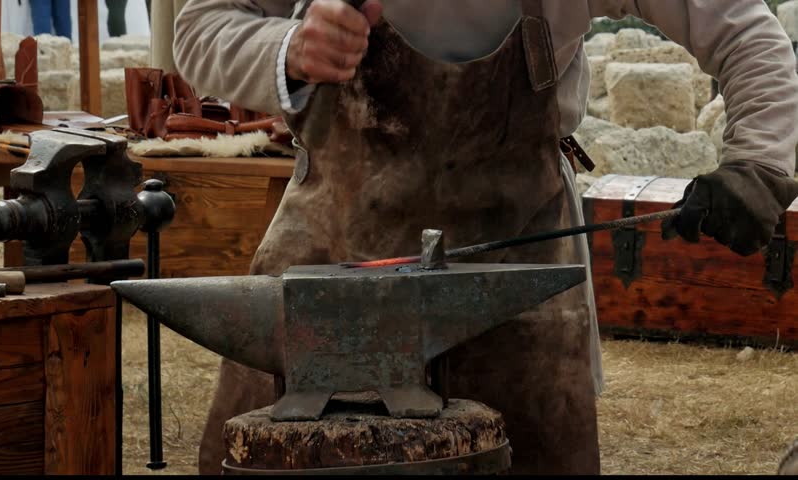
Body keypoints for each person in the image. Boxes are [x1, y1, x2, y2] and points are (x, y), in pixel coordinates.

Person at [173, 0, 798, 474]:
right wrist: (284, 47)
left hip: (519, 269)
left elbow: (742, 28)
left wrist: (760, 160)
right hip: (330, 264)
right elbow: (198, 26)